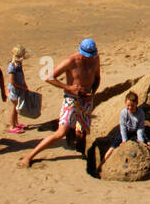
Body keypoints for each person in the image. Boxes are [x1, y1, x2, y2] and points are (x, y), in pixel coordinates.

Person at [20, 38, 101, 168]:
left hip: (86, 100)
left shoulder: (96, 59)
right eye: (87, 56)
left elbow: (97, 77)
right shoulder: (71, 61)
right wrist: (69, 88)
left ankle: (81, 155)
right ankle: (30, 156)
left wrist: (93, 93)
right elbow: (49, 78)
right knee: (61, 132)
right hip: (71, 99)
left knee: (82, 132)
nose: (89, 58)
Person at [4, 45, 29, 134]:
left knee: (17, 107)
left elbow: (21, 76)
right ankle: (12, 126)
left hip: (19, 90)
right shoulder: (12, 66)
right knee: (15, 108)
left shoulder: (18, 64)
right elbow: (12, 82)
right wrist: (22, 87)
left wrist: (24, 85)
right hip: (14, 91)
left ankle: (16, 123)